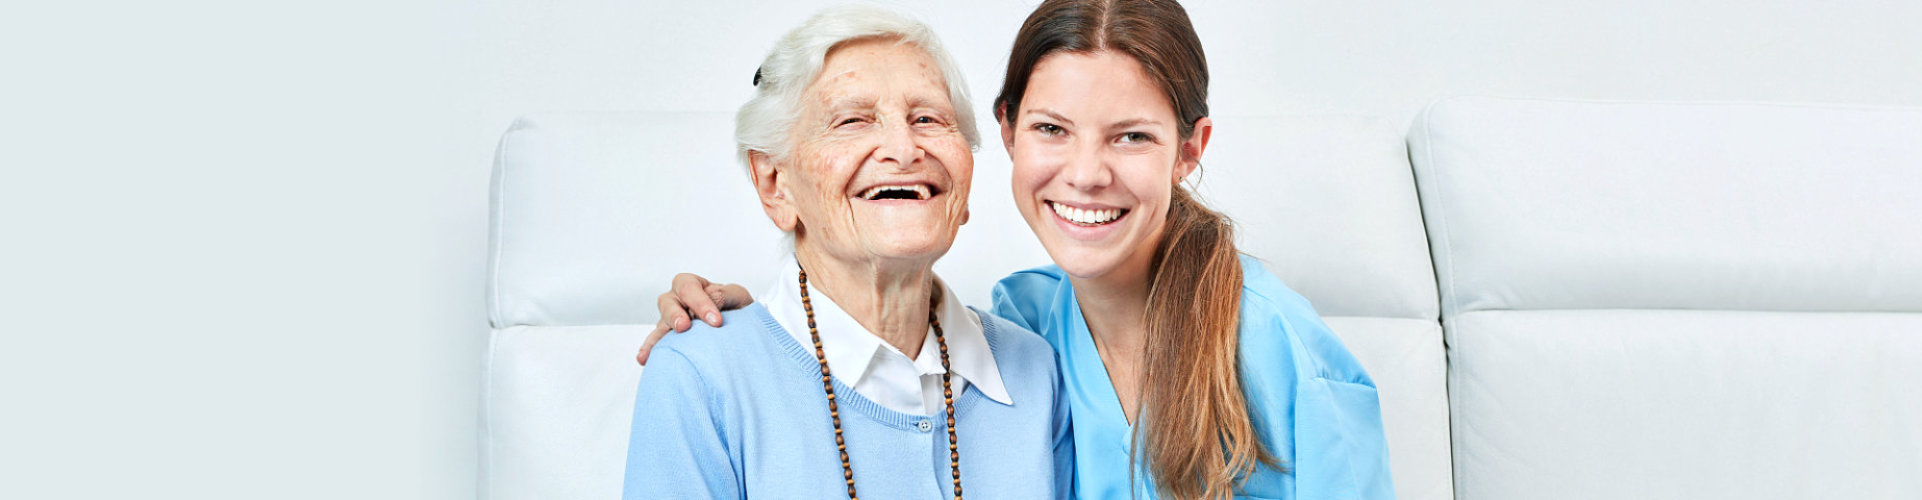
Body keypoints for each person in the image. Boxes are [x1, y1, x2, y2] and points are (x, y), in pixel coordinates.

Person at [641, 1, 1394, 498]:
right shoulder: (1029, 323)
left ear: (1189, 149)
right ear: (1008, 136)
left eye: (1131, 135)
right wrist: (746, 336)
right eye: (1052, 129)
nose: (1087, 173)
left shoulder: (1278, 352)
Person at [620, 5, 1071, 499]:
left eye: (928, 118)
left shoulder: (1036, 369)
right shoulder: (700, 376)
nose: (903, 150)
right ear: (776, 185)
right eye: (853, 121)